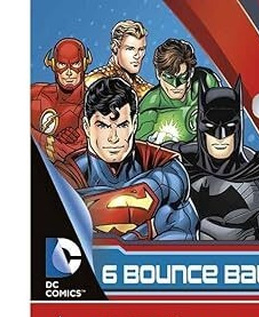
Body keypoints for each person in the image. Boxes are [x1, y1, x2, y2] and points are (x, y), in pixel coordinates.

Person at [56, 77, 198, 241]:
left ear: (134, 124)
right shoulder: (67, 175)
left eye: (122, 125)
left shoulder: (160, 164)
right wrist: (145, 230)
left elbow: (182, 235)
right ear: (87, 127)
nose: (113, 137)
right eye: (103, 126)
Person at [175, 78, 259, 240]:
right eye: (211, 128)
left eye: (228, 128)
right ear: (200, 127)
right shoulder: (177, 163)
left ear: (239, 128)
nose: (220, 137)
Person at [136, 38, 220, 145]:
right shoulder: (151, 104)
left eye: (182, 77)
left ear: (190, 73)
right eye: (169, 77)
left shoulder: (205, 82)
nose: (176, 85)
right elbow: (142, 145)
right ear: (158, 74)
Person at [31, 38, 92, 162]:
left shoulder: (92, 105)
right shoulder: (36, 93)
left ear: (84, 64)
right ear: (53, 65)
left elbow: (69, 154)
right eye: (62, 65)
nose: (69, 72)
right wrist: (43, 140)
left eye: (75, 64)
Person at [85, 19, 152, 100]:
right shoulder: (93, 82)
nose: (137, 55)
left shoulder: (146, 91)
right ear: (115, 47)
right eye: (130, 49)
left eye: (141, 49)